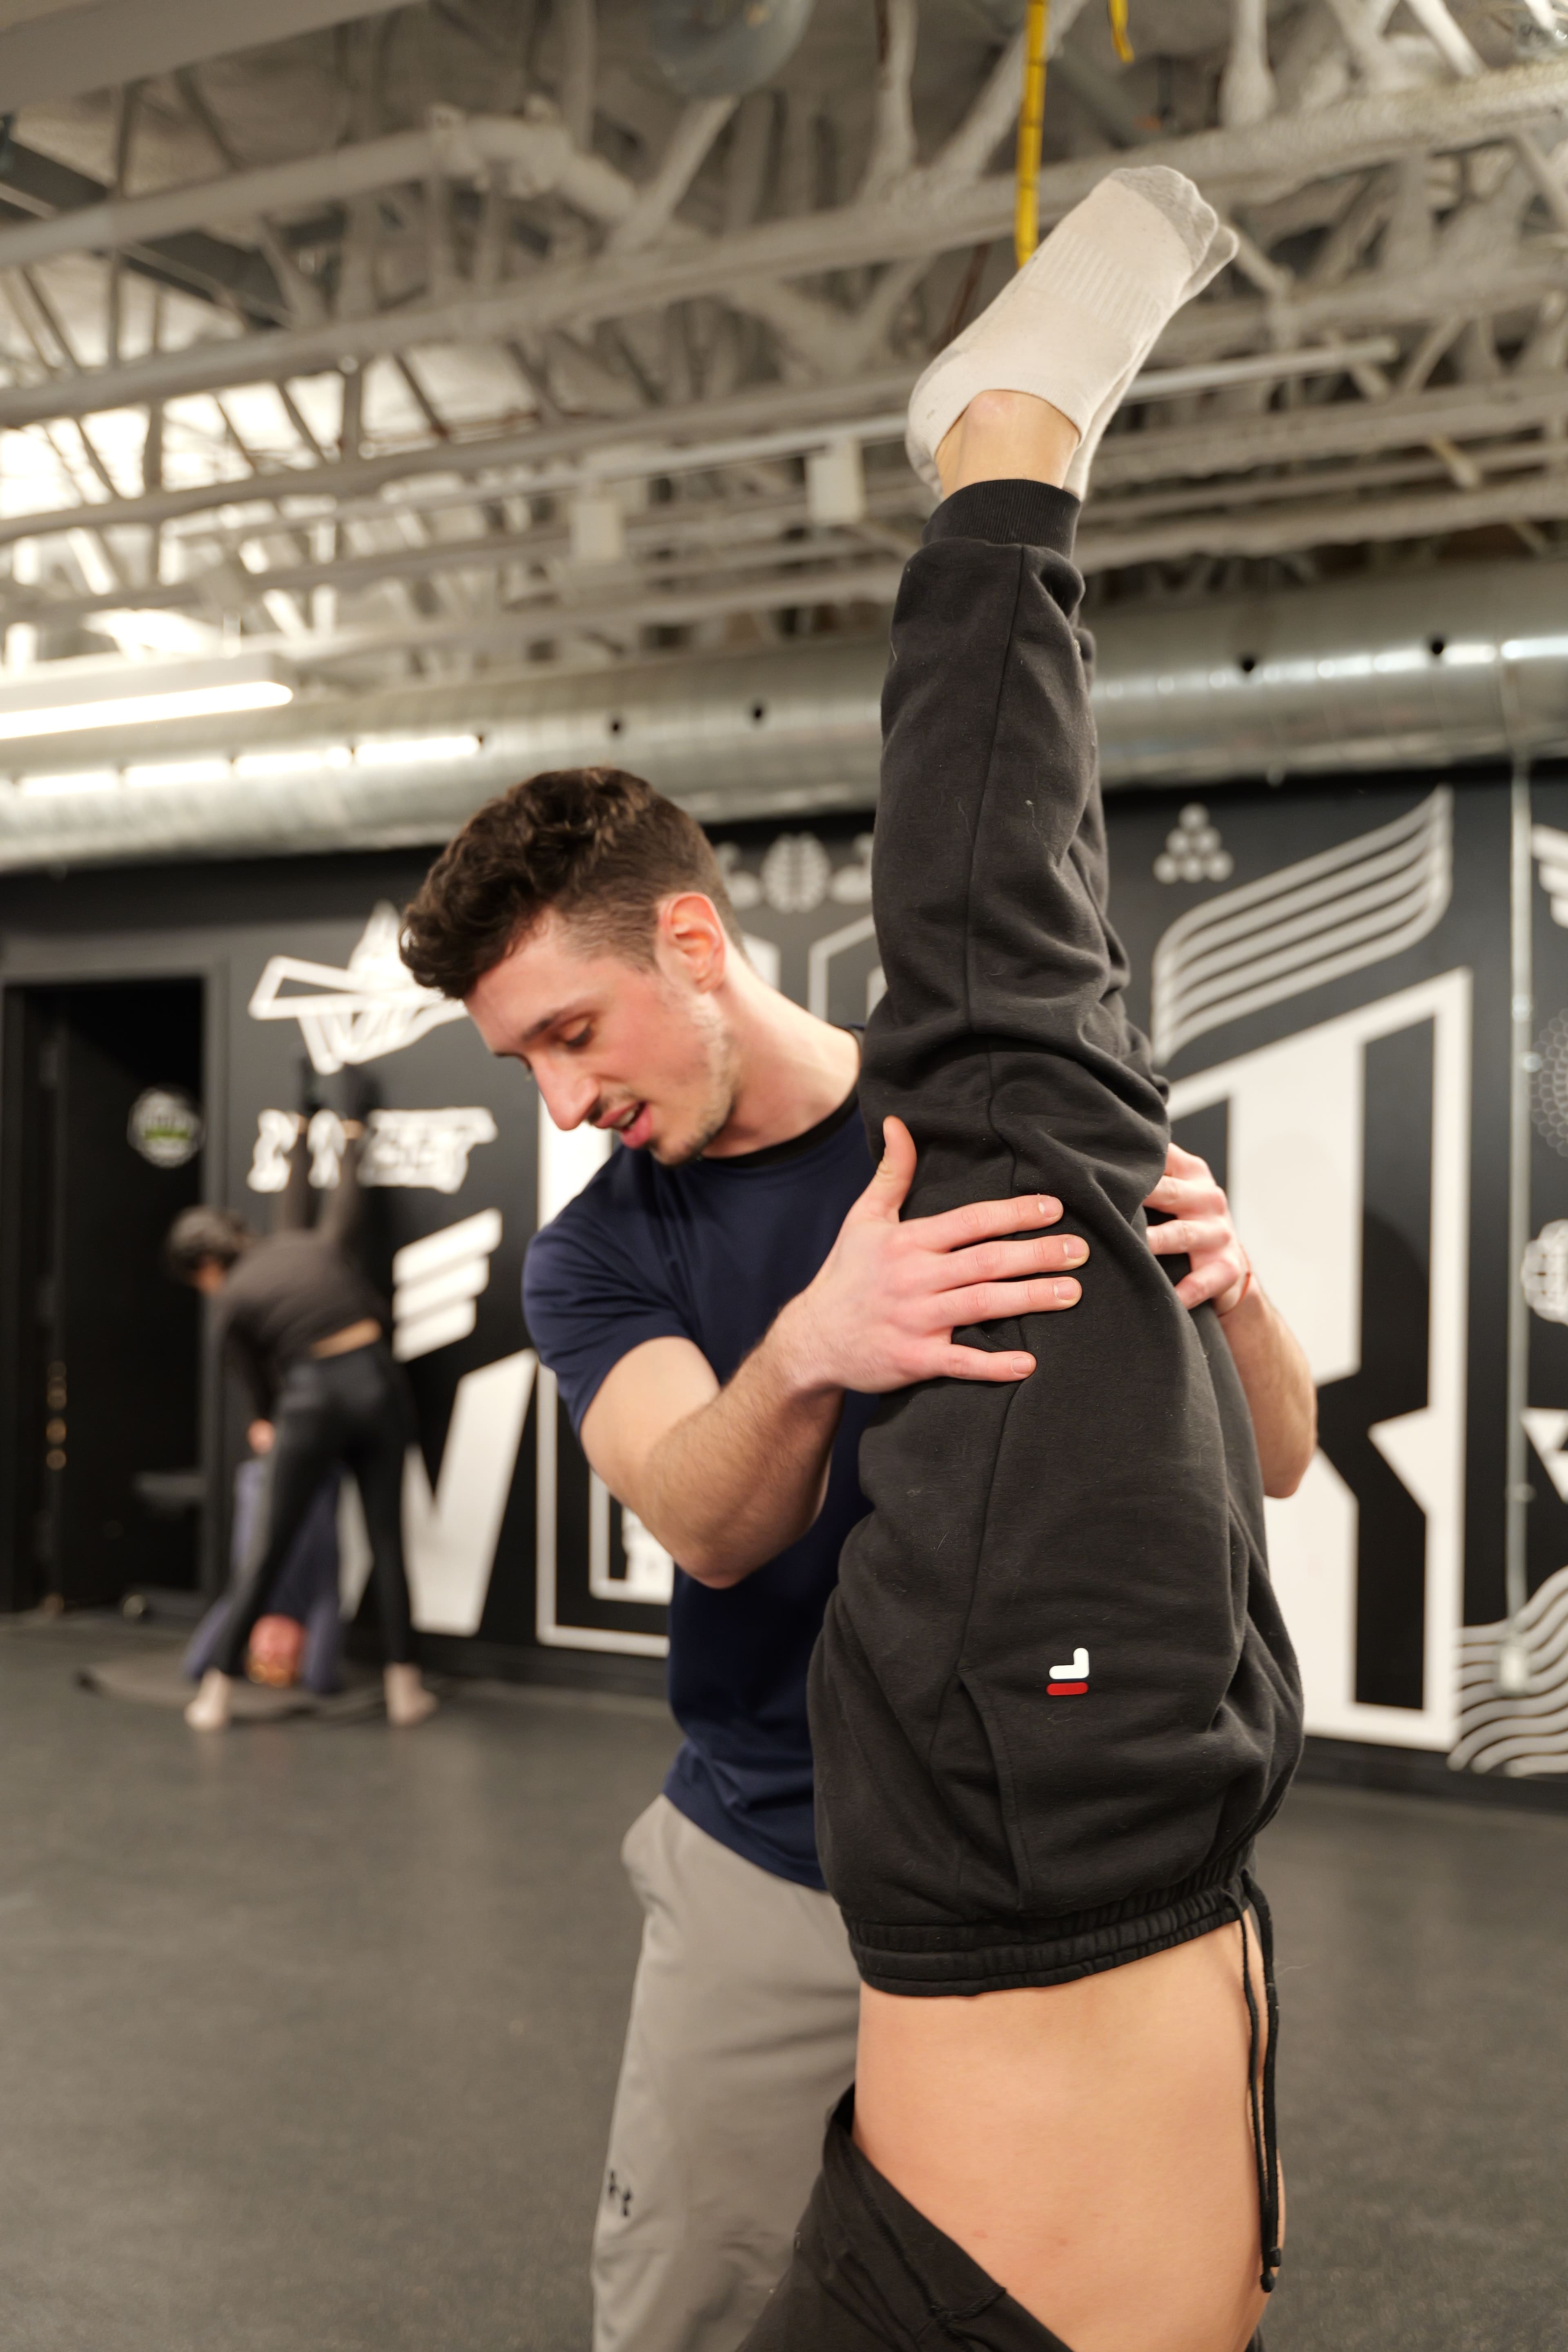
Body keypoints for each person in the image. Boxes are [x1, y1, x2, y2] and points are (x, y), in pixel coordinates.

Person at [399, 495, 1313, 2352]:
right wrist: (813, 1343)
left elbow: (1277, 1457)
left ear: (690, 938)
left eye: (576, 1032)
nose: (566, 1100)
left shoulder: (1004, 1138)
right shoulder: (597, 1262)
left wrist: (1234, 1290)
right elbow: (704, 1517)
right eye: (527, 1067)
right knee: (692, 2311)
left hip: (1025, 1875)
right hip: (773, 1865)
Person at [738, 168, 1303, 2352]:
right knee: (1088, 1127)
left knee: (1016, 1070)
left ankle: (1007, 459)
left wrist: (803, 1352)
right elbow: (1281, 1467)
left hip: (1034, 1796)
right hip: (1138, 1793)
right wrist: (1231, 1291)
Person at [164, 1112, 437, 1732]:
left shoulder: (231, 1301)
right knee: (389, 1544)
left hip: (312, 1397)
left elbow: (253, 1383)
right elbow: (342, 1210)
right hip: (378, 1382)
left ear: (207, 1263)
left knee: (267, 1551)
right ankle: (405, 1692)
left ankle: (216, 1695)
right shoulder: (305, 1246)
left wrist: (265, 1421)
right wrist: (346, 1143)